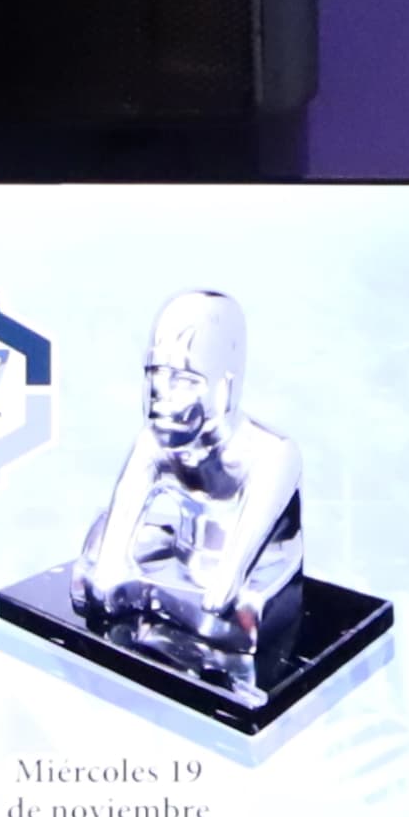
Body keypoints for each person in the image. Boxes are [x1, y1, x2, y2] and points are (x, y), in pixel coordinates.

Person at [73, 289, 307, 679]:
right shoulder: (154, 442)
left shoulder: (274, 454)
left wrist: (130, 589)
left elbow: (223, 594)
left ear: (225, 387)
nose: (160, 397)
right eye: (154, 377)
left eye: (182, 379)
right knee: (97, 554)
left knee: (235, 622)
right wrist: (111, 569)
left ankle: (150, 600)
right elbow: (110, 557)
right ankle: (156, 600)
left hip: (256, 572)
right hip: (181, 562)